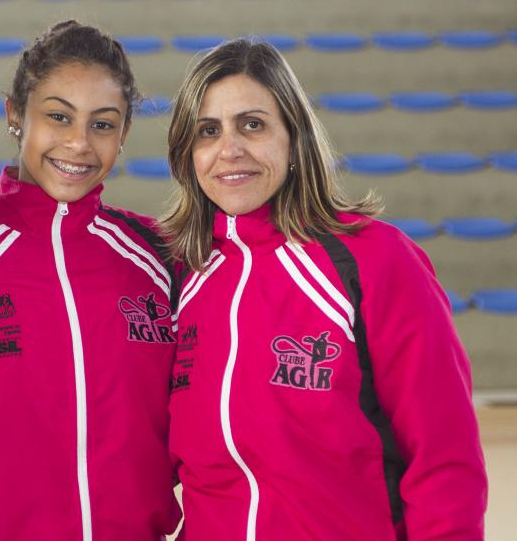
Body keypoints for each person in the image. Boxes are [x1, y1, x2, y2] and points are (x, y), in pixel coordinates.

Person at [163, 38, 487, 539]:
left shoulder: (376, 260)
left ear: (294, 137)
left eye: (252, 124)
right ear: (188, 154)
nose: (230, 150)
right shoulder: (181, 276)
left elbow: (444, 459)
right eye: (208, 131)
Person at [0, 21, 181, 541]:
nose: (78, 142)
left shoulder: (164, 259)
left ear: (124, 133)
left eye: (102, 124)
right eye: (58, 116)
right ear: (15, 115)